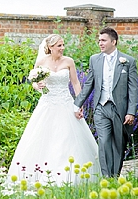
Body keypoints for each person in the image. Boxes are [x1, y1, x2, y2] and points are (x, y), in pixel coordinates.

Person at [7, 34, 100, 186]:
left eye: (63, 45)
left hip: (66, 103)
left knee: (67, 138)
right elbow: (34, 82)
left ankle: (70, 176)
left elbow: (76, 84)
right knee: (44, 138)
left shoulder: (68, 61)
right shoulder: (42, 61)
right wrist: (38, 86)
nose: (62, 48)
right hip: (47, 104)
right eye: (59, 46)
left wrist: (79, 102)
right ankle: (42, 174)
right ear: (50, 47)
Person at [74, 27, 138, 177]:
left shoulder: (128, 61)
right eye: (99, 40)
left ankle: (114, 176)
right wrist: (77, 104)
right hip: (100, 108)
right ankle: (106, 177)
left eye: (103, 40)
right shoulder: (94, 59)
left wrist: (131, 112)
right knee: (103, 142)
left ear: (113, 42)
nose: (100, 43)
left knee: (118, 144)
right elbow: (89, 84)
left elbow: (134, 89)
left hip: (119, 110)